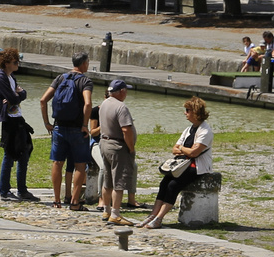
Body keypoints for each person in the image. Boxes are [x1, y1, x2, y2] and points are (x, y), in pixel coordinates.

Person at [134, 97, 212, 230]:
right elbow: (175, 148)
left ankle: (159, 218)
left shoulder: (205, 130)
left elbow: (194, 153)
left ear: (195, 111)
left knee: (173, 185)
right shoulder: (188, 129)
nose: (185, 113)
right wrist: (184, 149)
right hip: (182, 164)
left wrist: (182, 149)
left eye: (187, 110)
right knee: (164, 183)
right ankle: (153, 215)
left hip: (197, 167)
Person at [39, 52, 94, 211]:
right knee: (80, 165)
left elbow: (43, 100)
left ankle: (57, 200)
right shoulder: (85, 81)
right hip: (77, 129)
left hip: (59, 128)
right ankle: (75, 202)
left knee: (57, 162)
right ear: (84, 64)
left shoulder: (60, 78)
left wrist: (47, 123)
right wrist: (85, 125)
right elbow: (88, 103)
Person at [0, 49, 39, 203]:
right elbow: (14, 96)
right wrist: (17, 95)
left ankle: (22, 190)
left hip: (18, 118)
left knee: (24, 152)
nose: (17, 64)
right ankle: (4, 191)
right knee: (9, 154)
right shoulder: (1, 78)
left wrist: (20, 94)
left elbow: (19, 95)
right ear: (7, 64)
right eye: (15, 62)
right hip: (9, 120)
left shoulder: (11, 76)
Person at [93, 79, 139, 223]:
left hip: (104, 143)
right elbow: (126, 130)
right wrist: (131, 148)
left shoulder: (104, 104)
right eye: (125, 90)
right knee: (119, 181)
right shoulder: (121, 107)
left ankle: (106, 210)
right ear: (121, 91)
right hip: (117, 146)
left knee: (108, 180)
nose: (126, 93)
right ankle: (115, 214)